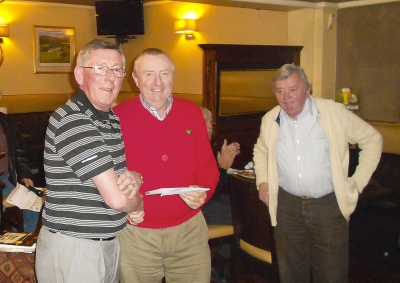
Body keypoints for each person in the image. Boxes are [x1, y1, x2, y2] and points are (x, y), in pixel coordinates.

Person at [253, 63, 382, 283]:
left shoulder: (333, 113)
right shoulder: (270, 120)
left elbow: (372, 140)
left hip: (328, 207)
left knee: (331, 274)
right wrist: (263, 181)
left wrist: (357, 183)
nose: (287, 97)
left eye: (293, 89)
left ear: (307, 90)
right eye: (280, 91)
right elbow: (261, 151)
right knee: (291, 273)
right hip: (286, 208)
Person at [35, 39, 144, 283]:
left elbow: (121, 180)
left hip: (106, 243)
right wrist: (138, 204)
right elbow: (117, 199)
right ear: (79, 75)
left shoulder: (110, 119)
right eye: (100, 68)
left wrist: (136, 178)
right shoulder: (73, 120)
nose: (110, 77)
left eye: (116, 70)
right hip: (75, 249)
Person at [113, 48, 219, 283]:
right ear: (136, 79)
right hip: (136, 234)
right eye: (149, 74)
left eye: (164, 73)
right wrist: (126, 206)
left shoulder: (191, 113)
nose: (157, 82)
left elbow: (208, 167)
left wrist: (203, 192)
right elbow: (108, 174)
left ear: (173, 76)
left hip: (189, 230)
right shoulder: (117, 117)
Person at [200, 107, 240, 227]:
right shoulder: (187, 149)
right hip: (195, 208)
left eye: (211, 122)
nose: (210, 126)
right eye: (204, 121)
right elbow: (206, 191)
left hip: (207, 202)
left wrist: (221, 168)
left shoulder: (205, 148)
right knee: (243, 214)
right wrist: (222, 168)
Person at [0, 111, 39, 232]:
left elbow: (19, 149)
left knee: (33, 200)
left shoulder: (6, 121)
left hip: (6, 179)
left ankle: (18, 240)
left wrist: (25, 175)